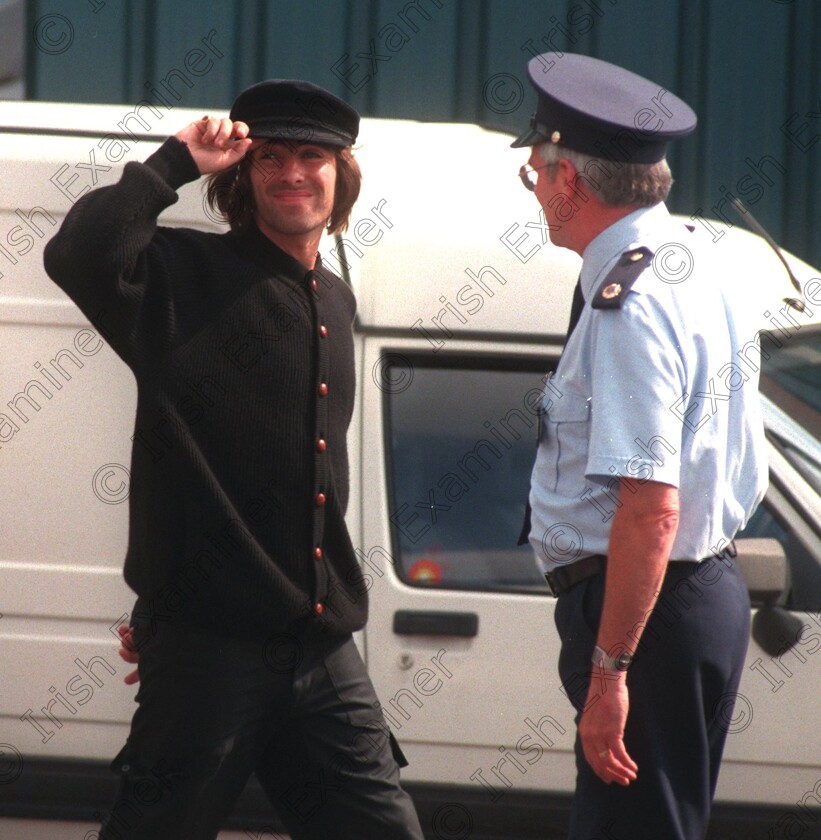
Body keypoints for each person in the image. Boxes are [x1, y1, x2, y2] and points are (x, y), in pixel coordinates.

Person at [44, 79, 423, 840]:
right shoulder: (181, 273)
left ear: (340, 174)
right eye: (271, 158)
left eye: (311, 156)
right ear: (242, 179)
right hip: (207, 651)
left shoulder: (337, 301)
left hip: (320, 648)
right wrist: (173, 162)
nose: (291, 173)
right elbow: (78, 255)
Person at [512, 54, 767, 839]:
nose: (532, 187)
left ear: (569, 181)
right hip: (689, 594)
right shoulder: (700, 256)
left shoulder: (631, 302)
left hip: (645, 610)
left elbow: (650, 510)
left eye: (533, 173)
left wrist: (609, 668)